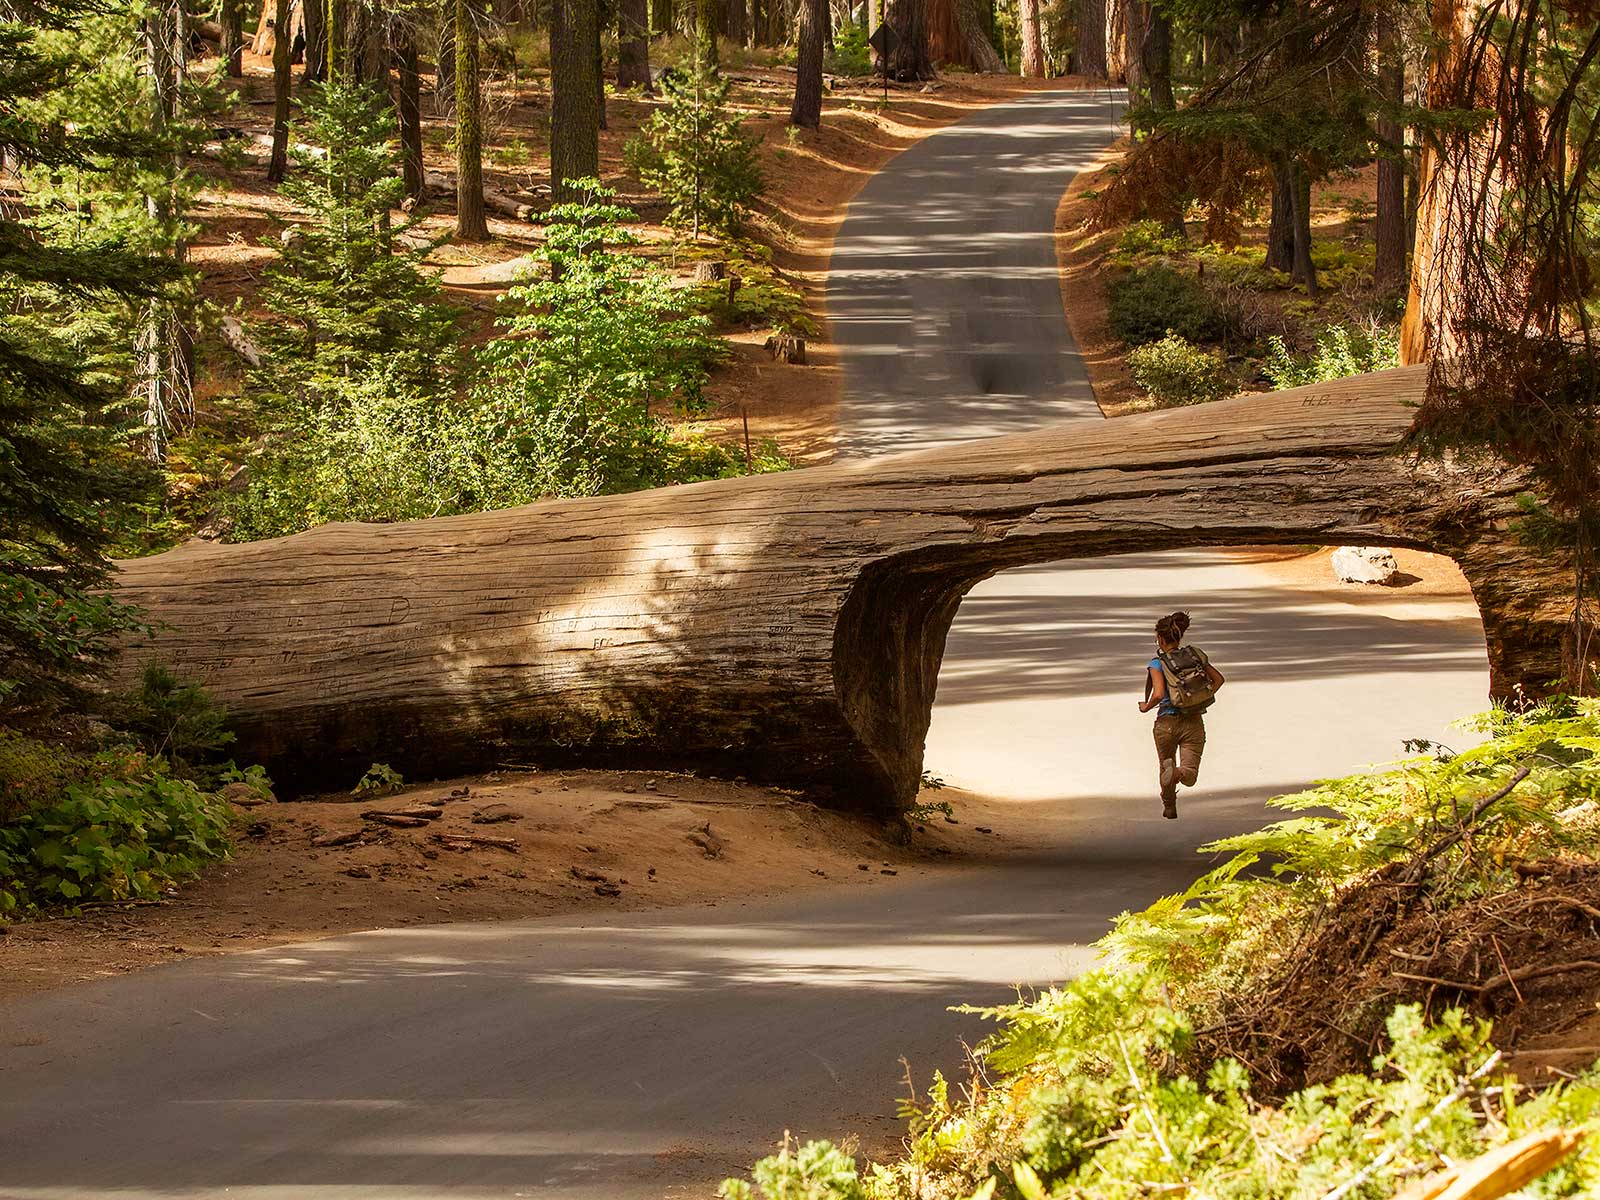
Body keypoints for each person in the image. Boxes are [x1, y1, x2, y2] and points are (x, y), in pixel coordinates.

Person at [1137, 611, 1225, 819]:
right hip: (1193, 721)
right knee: (1190, 774)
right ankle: (1178, 773)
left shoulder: (1156, 664)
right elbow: (1219, 680)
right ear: (1179, 637)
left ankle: (1169, 806)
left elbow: (1158, 694)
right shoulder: (1194, 656)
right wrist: (1200, 697)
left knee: (1164, 765)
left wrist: (1146, 707)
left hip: (1166, 724)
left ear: (1160, 639)